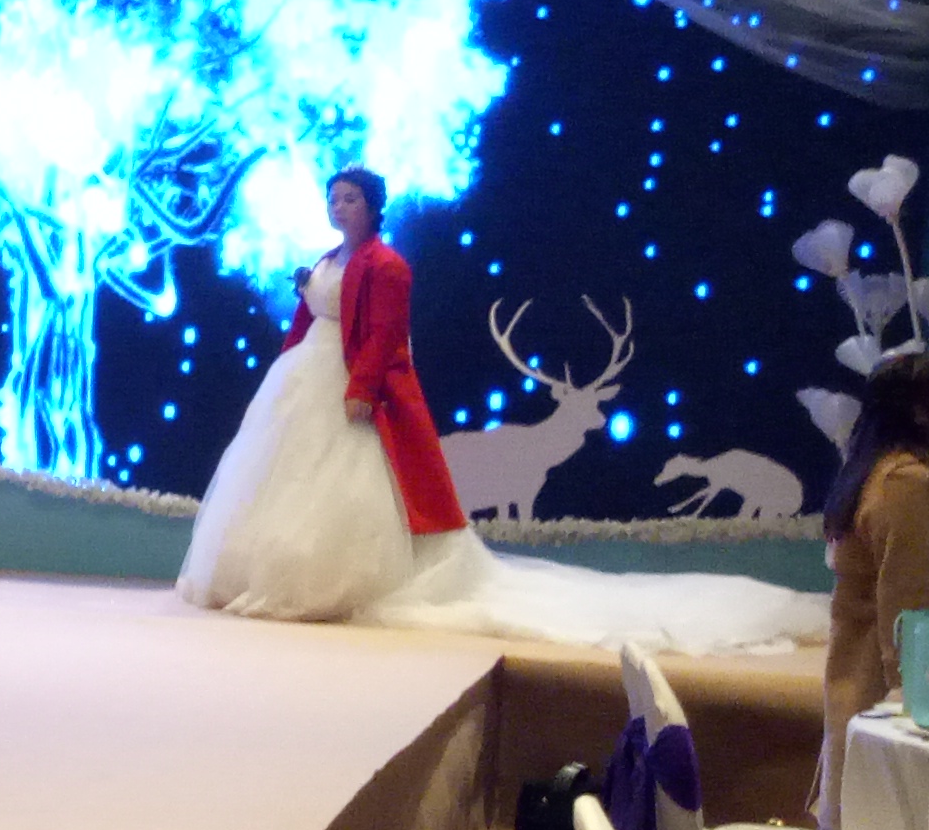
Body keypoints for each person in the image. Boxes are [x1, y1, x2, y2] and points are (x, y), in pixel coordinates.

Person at [178, 167, 818, 651]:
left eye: (348, 198)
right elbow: (310, 317)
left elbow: (385, 335)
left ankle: (331, 579)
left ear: (371, 206)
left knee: (349, 479)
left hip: (349, 379)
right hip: (306, 376)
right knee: (283, 475)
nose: (337, 207)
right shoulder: (328, 260)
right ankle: (265, 570)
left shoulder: (387, 265)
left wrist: (362, 388)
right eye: (333, 198)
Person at [819, 349, 929, 820]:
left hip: (859, 686)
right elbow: (911, 607)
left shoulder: (874, 472)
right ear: (919, 410)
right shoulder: (907, 482)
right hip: (886, 700)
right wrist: (912, 703)